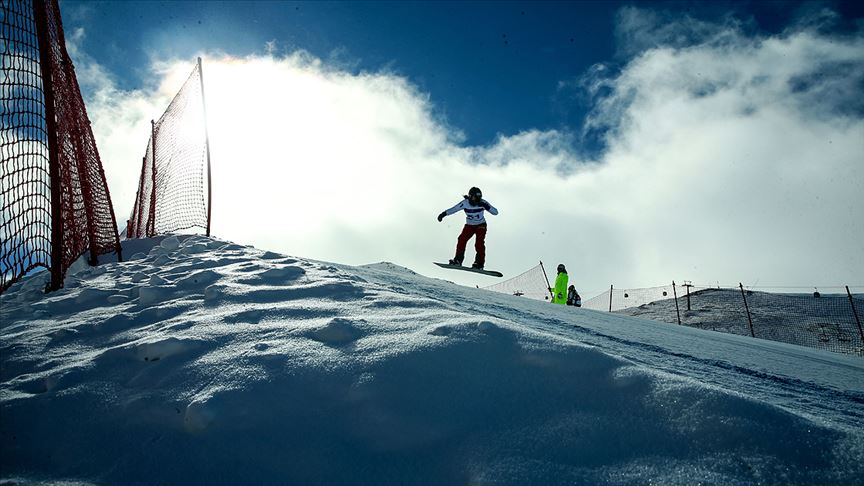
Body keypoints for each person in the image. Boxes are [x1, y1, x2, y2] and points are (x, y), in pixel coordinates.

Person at [437, 187, 498, 269]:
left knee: (479, 243)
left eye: (479, 198)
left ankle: (479, 264)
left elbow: (495, 212)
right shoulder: (465, 203)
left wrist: (486, 206)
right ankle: (458, 260)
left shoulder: (483, 202)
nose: (476, 200)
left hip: (481, 225)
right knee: (461, 239)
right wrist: (443, 214)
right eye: (475, 198)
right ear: (470, 196)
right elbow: (454, 209)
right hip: (469, 225)